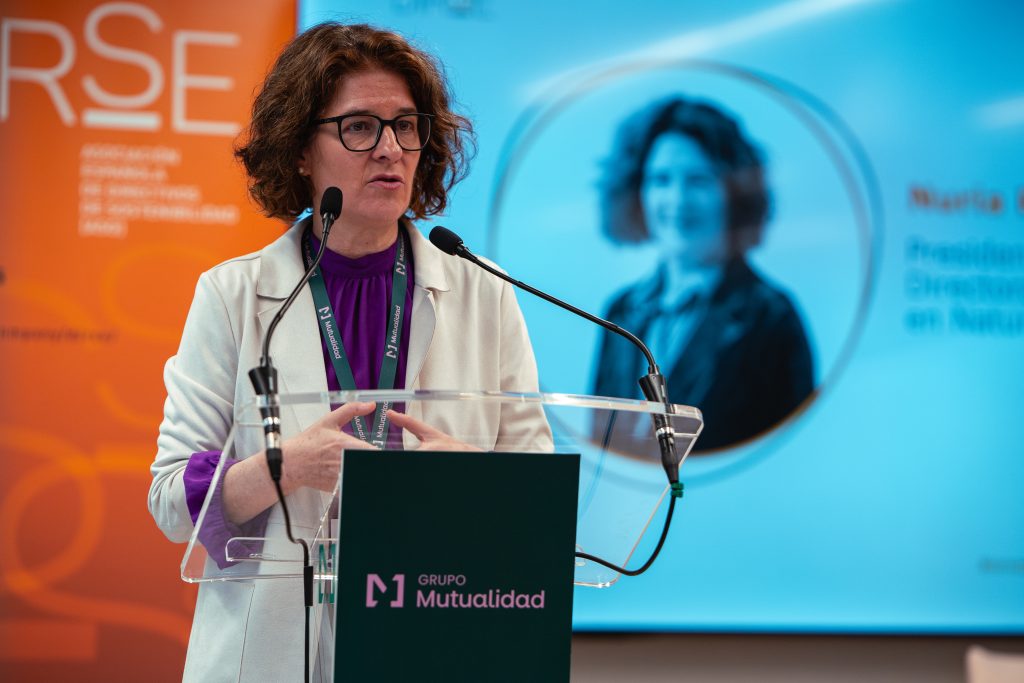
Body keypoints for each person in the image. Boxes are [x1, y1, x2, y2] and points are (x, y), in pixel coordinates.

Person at [148, 23, 548, 682]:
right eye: (360, 127)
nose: (390, 148)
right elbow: (171, 500)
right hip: (274, 646)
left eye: (406, 126)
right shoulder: (232, 294)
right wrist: (286, 466)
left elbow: (538, 495)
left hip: (438, 630)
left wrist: (475, 477)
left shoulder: (485, 292)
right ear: (301, 151)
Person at [592, 97, 814, 452]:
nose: (677, 199)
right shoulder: (621, 310)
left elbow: (793, 455)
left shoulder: (770, 316)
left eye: (698, 180)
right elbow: (601, 443)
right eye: (661, 179)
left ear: (733, 193)